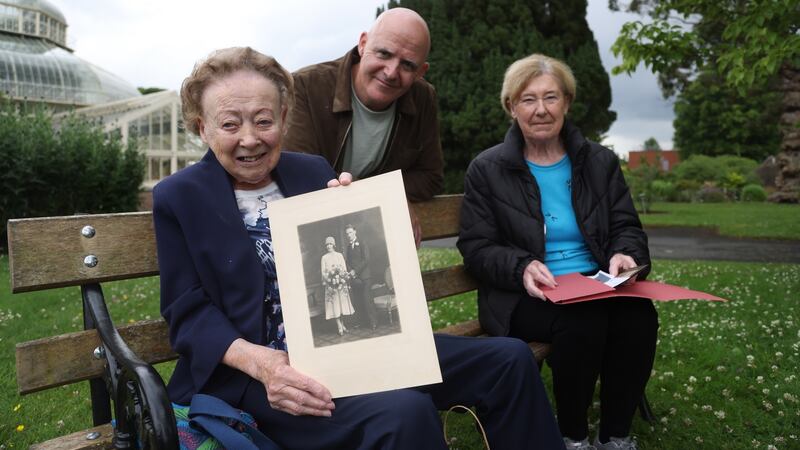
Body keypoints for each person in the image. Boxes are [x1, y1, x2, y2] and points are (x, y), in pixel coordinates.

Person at [154, 46, 564, 450]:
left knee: (509, 360)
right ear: (201, 128)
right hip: (261, 377)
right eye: (229, 124)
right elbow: (187, 312)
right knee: (404, 412)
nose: (250, 139)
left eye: (263, 121)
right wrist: (263, 364)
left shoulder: (311, 170)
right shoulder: (180, 197)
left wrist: (369, 219)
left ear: (282, 118)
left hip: (353, 346)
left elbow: (360, 257)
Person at [458, 53, 659, 450]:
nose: (541, 109)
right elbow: (476, 247)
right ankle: (573, 436)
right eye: (528, 99)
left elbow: (626, 226)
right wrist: (521, 266)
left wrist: (625, 254)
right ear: (511, 108)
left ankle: (616, 436)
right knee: (582, 321)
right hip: (525, 293)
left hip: (596, 282)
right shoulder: (487, 168)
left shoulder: (599, 162)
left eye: (551, 97)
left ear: (566, 102)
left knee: (638, 315)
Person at [284, 7, 444, 245]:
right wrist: (385, 196)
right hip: (311, 233)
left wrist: (389, 195)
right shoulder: (305, 86)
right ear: (362, 44)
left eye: (408, 65)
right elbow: (298, 176)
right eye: (383, 54)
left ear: (421, 72)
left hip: (371, 239)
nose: (391, 72)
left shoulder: (423, 98)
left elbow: (430, 176)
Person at [343, 224, 377, 329]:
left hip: (365, 276)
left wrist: (355, 271)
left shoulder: (362, 243)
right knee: (358, 301)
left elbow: (366, 259)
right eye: (347, 233)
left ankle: (373, 322)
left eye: (350, 232)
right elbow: (347, 261)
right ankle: (363, 322)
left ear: (355, 231)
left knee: (367, 300)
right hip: (355, 278)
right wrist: (350, 272)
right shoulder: (348, 247)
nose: (349, 235)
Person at [321, 236, 355, 336]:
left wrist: (341, 278)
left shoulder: (339, 255)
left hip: (341, 284)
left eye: (330, 244)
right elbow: (323, 272)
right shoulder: (324, 257)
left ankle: (343, 324)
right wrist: (330, 280)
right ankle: (339, 326)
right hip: (331, 285)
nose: (328, 246)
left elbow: (343, 269)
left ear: (334, 245)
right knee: (334, 305)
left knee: (341, 305)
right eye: (327, 244)